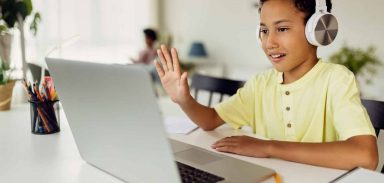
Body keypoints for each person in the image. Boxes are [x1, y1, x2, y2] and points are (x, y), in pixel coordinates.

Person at [153, 0, 378, 170]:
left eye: (282, 29)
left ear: (317, 31)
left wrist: (268, 147)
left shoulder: (336, 79)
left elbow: (365, 156)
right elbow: (210, 120)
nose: (269, 42)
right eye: (264, 30)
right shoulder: (261, 84)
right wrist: (184, 99)